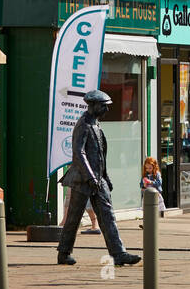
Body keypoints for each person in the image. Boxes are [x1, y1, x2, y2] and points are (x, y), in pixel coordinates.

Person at [57, 90, 141, 267]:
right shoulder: (83, 125)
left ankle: (118, 253)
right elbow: (78, 153)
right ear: (93, 105)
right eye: (104, 106)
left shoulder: (96, 125)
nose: (106, 109)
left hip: (98, 179)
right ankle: (64, 253)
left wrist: (105, 177)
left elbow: (100, 156)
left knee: (108, 216)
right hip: (83, 180)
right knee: (73, 217)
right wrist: (89, 177)